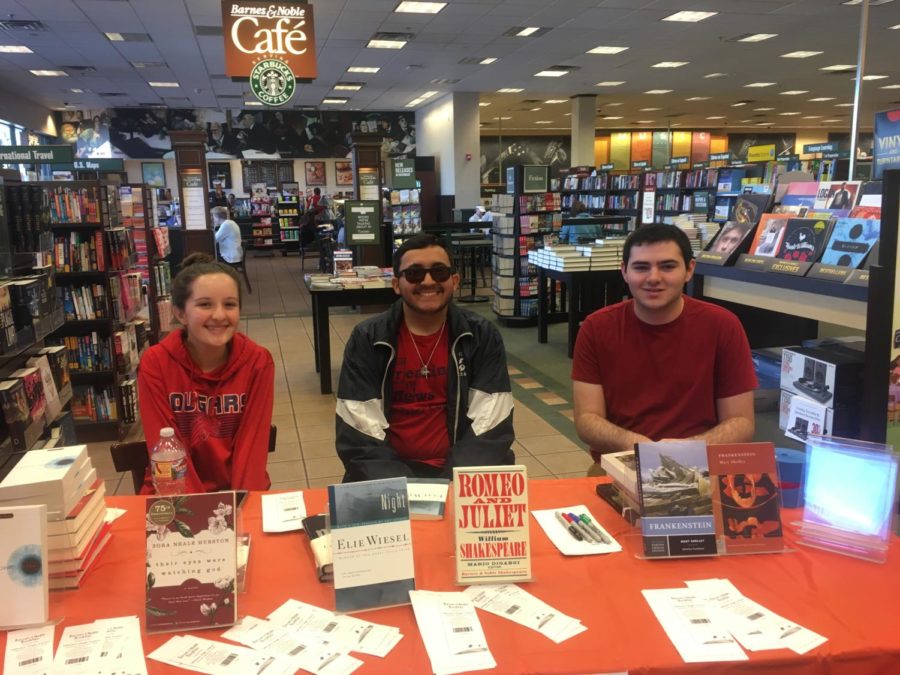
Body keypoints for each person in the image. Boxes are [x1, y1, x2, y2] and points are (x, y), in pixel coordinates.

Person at [572, 224, 757, 466]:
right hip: (622, 464)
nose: (654, 278)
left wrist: (685, 450)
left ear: (689, 270)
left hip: (701, 464)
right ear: (624, 272)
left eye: (668, 266)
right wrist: (640, 447)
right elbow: (586, 420)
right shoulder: (596, 328)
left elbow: (741, 422)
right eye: (641, 267)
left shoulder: (723, 325)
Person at [335, 233, 515, 482]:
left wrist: (451, 483)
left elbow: (491, 423)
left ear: (454, 281)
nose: (428, 281)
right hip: (387, 476)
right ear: (397, 284)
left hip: (463, 475)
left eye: (439, 272)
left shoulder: (481, 336)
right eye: (414, 274)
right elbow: (358, 429)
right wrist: (401, 487)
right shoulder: (367, 339)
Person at [137, 253, 275, 493]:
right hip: (175, 493)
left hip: (238, 492)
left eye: (229, 304)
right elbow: (166, 451)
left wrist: (240, 508)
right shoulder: (156, 363)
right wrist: (199, 516)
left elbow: (252, 447)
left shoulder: (257, 362)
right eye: (205, 304)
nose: (220, 315)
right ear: (180, 313)